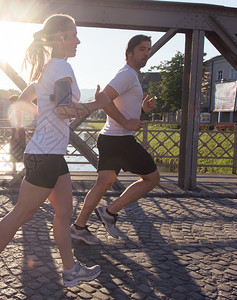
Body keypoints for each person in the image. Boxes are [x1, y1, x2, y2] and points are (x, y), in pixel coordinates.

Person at [0, 14, 123, 295]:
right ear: (61, 38)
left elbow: (26, 100)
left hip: (51, 155)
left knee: (64, 212)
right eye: (74, 34)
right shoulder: (62, 68)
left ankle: (69, 270)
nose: (78, 40)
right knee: (22, 213)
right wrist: (96, 104)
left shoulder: (49, 69)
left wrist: (44, 115)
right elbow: (65, 110)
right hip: (44, 156)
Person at [70, 35, 160, 245]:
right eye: (141, 49)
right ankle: (109, 212)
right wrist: (126, 122)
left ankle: (78, 227)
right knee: (152, 179)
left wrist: (142, 110)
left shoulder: (131, 76)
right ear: (129, 53)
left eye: (148, 49)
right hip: (120, 139)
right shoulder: (127, 74)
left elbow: (121, 106)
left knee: (103, 184)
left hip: (110, 138)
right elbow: (103, 100)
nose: (146, 53)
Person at [8, 94, 26, 173]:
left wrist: (16, 133)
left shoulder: (18, 110)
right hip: (16, 130)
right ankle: (15, 168)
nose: (10, 104)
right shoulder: (16, 109)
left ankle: (23, 168)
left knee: (17, 149)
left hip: (18, 131)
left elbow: (19, 121)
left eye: (11, 102)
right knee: (15, 149)